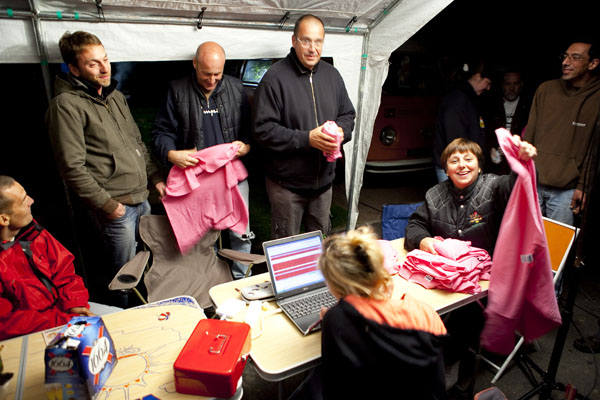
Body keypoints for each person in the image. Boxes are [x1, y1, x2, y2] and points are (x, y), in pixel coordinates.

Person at [404, 137, 537, 400]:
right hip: (448, 280)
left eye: (468, 159)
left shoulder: (494, 187)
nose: (461, 165)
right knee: (410, 304)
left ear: (479, 165)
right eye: (454, 160)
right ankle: (423, 363)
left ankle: (454, 374)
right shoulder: (435, 194)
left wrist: (521, 163)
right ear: (446, 168)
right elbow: (415, 225)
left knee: (465, 317)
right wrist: (424, 239)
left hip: (487, 282)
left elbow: (516, 189)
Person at [46, 32, 166, 283]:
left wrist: (154, 178)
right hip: (116, 207)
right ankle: (121, 319)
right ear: (74, 70)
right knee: (122, 279)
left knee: (145, 269)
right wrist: (109, 206)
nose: (104, 68)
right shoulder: (66, 105)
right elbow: (71, 167)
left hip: (141, 199)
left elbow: (137, 143)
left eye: (105, 60)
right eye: (93, 63)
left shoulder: (115, 97)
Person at [290, 227, 448, 400]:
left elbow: (333, 390)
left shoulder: (336, 321)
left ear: (336, 285)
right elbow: (438, 386)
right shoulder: (426, 313)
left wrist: (333, 318)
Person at [151, 41, 253, 279]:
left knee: (240, 230)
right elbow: (160, 132)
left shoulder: (236, 88)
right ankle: (205, 281)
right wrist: (171, 154)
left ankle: (241, 279)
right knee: (200, 233)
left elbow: (249, 129)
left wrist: (247, 146)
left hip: (231, 175)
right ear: (194, 64)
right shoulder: (177, 90)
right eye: (207, 73)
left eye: (218, 73)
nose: (212, 79)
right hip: (197, 179)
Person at [253, 14, 356, 239]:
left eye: (318, 41)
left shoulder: (332, 75)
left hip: (323, 186)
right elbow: (262, 130)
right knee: (286, 252)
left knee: (321, 250)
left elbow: (348, 114)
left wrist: (341, 131)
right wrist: (306, 139)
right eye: (306, 40)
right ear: (293, 41)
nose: (312, 48)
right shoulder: (275, 79)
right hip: (286, 186)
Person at [0, 176, 92, 340]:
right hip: (30, 335)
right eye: (23, 201)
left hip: (64, 316)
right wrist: (63, 322)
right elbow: (7, 323)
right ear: (4, 219)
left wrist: (75, 304)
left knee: (116, 320)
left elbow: (64, 271)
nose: (31, 201)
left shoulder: (32, 232)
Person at [523, 40, 600, 226]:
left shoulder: (596, 98)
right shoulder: (546, 90)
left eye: (575, 58)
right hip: (534, 183)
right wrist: (521, 180)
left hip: (567, 191)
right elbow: (528, 138)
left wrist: (583, 187)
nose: (566, 62)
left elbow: (595, 151)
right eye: (565, 56)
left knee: (557, 249)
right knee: (527, 246)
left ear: (592, 64)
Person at [433, 59, 493, 182]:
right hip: (456, 168)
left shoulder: (469, 98)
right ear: (477, 77)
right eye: (487, 83)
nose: (488, 88)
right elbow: (455, 141)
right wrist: (463, 167)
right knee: (455, 201)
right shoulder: (457, 100)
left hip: (464, 166)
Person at [483, 70, 531, 175]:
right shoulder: (492, 105)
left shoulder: (528, 106)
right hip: (495, 161)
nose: (512, 88)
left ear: (521, 85)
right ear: (502, 85)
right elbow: (486, 133)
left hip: (519, 162)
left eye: (516, 84)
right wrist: (492, 148)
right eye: (508, 84)